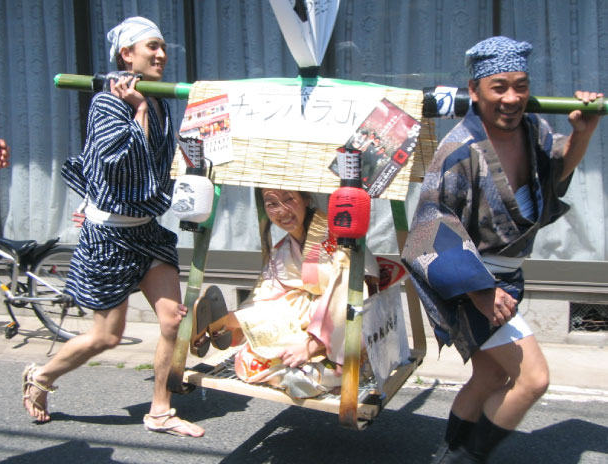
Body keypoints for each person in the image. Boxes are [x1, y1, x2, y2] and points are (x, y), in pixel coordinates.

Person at [401, 36, 603, 463]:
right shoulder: (458, 150)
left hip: (508, 279)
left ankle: (448, 451)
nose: (512, 98)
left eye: (521, 86)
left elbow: (554, 174)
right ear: (474, 91)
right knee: (533, 379)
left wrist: (583, 134)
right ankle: (467, 458)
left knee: (490, 374)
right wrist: (478, 290)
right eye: (499, 87)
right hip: (474, 281)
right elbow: (427, 230)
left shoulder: (534, 129)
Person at [21, 17, 204, 438]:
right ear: (127, 55)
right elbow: (122, 169)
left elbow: (159, 166)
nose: (161, 55)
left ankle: (160, 410)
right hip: (109, 238)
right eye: (151, 47)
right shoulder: (109, 104)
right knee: (106, 337)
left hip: (148, 232)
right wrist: (136, 108)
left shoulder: (160, 100)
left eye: (162, 47)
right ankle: (42, 377)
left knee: (171, 324)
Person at [220, 188, 379, 399]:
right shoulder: (283, 249)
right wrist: (237, 320)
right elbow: (266, 294)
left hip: (349, 329)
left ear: (305, 199)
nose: (282, 211)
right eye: (272, 204)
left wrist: (312, 345)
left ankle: (328, 368)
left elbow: (354, 292)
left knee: (321, 371)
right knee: (247, 359)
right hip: (306, 327)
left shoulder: (339, 239)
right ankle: (231, 322)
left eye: (289, 199)